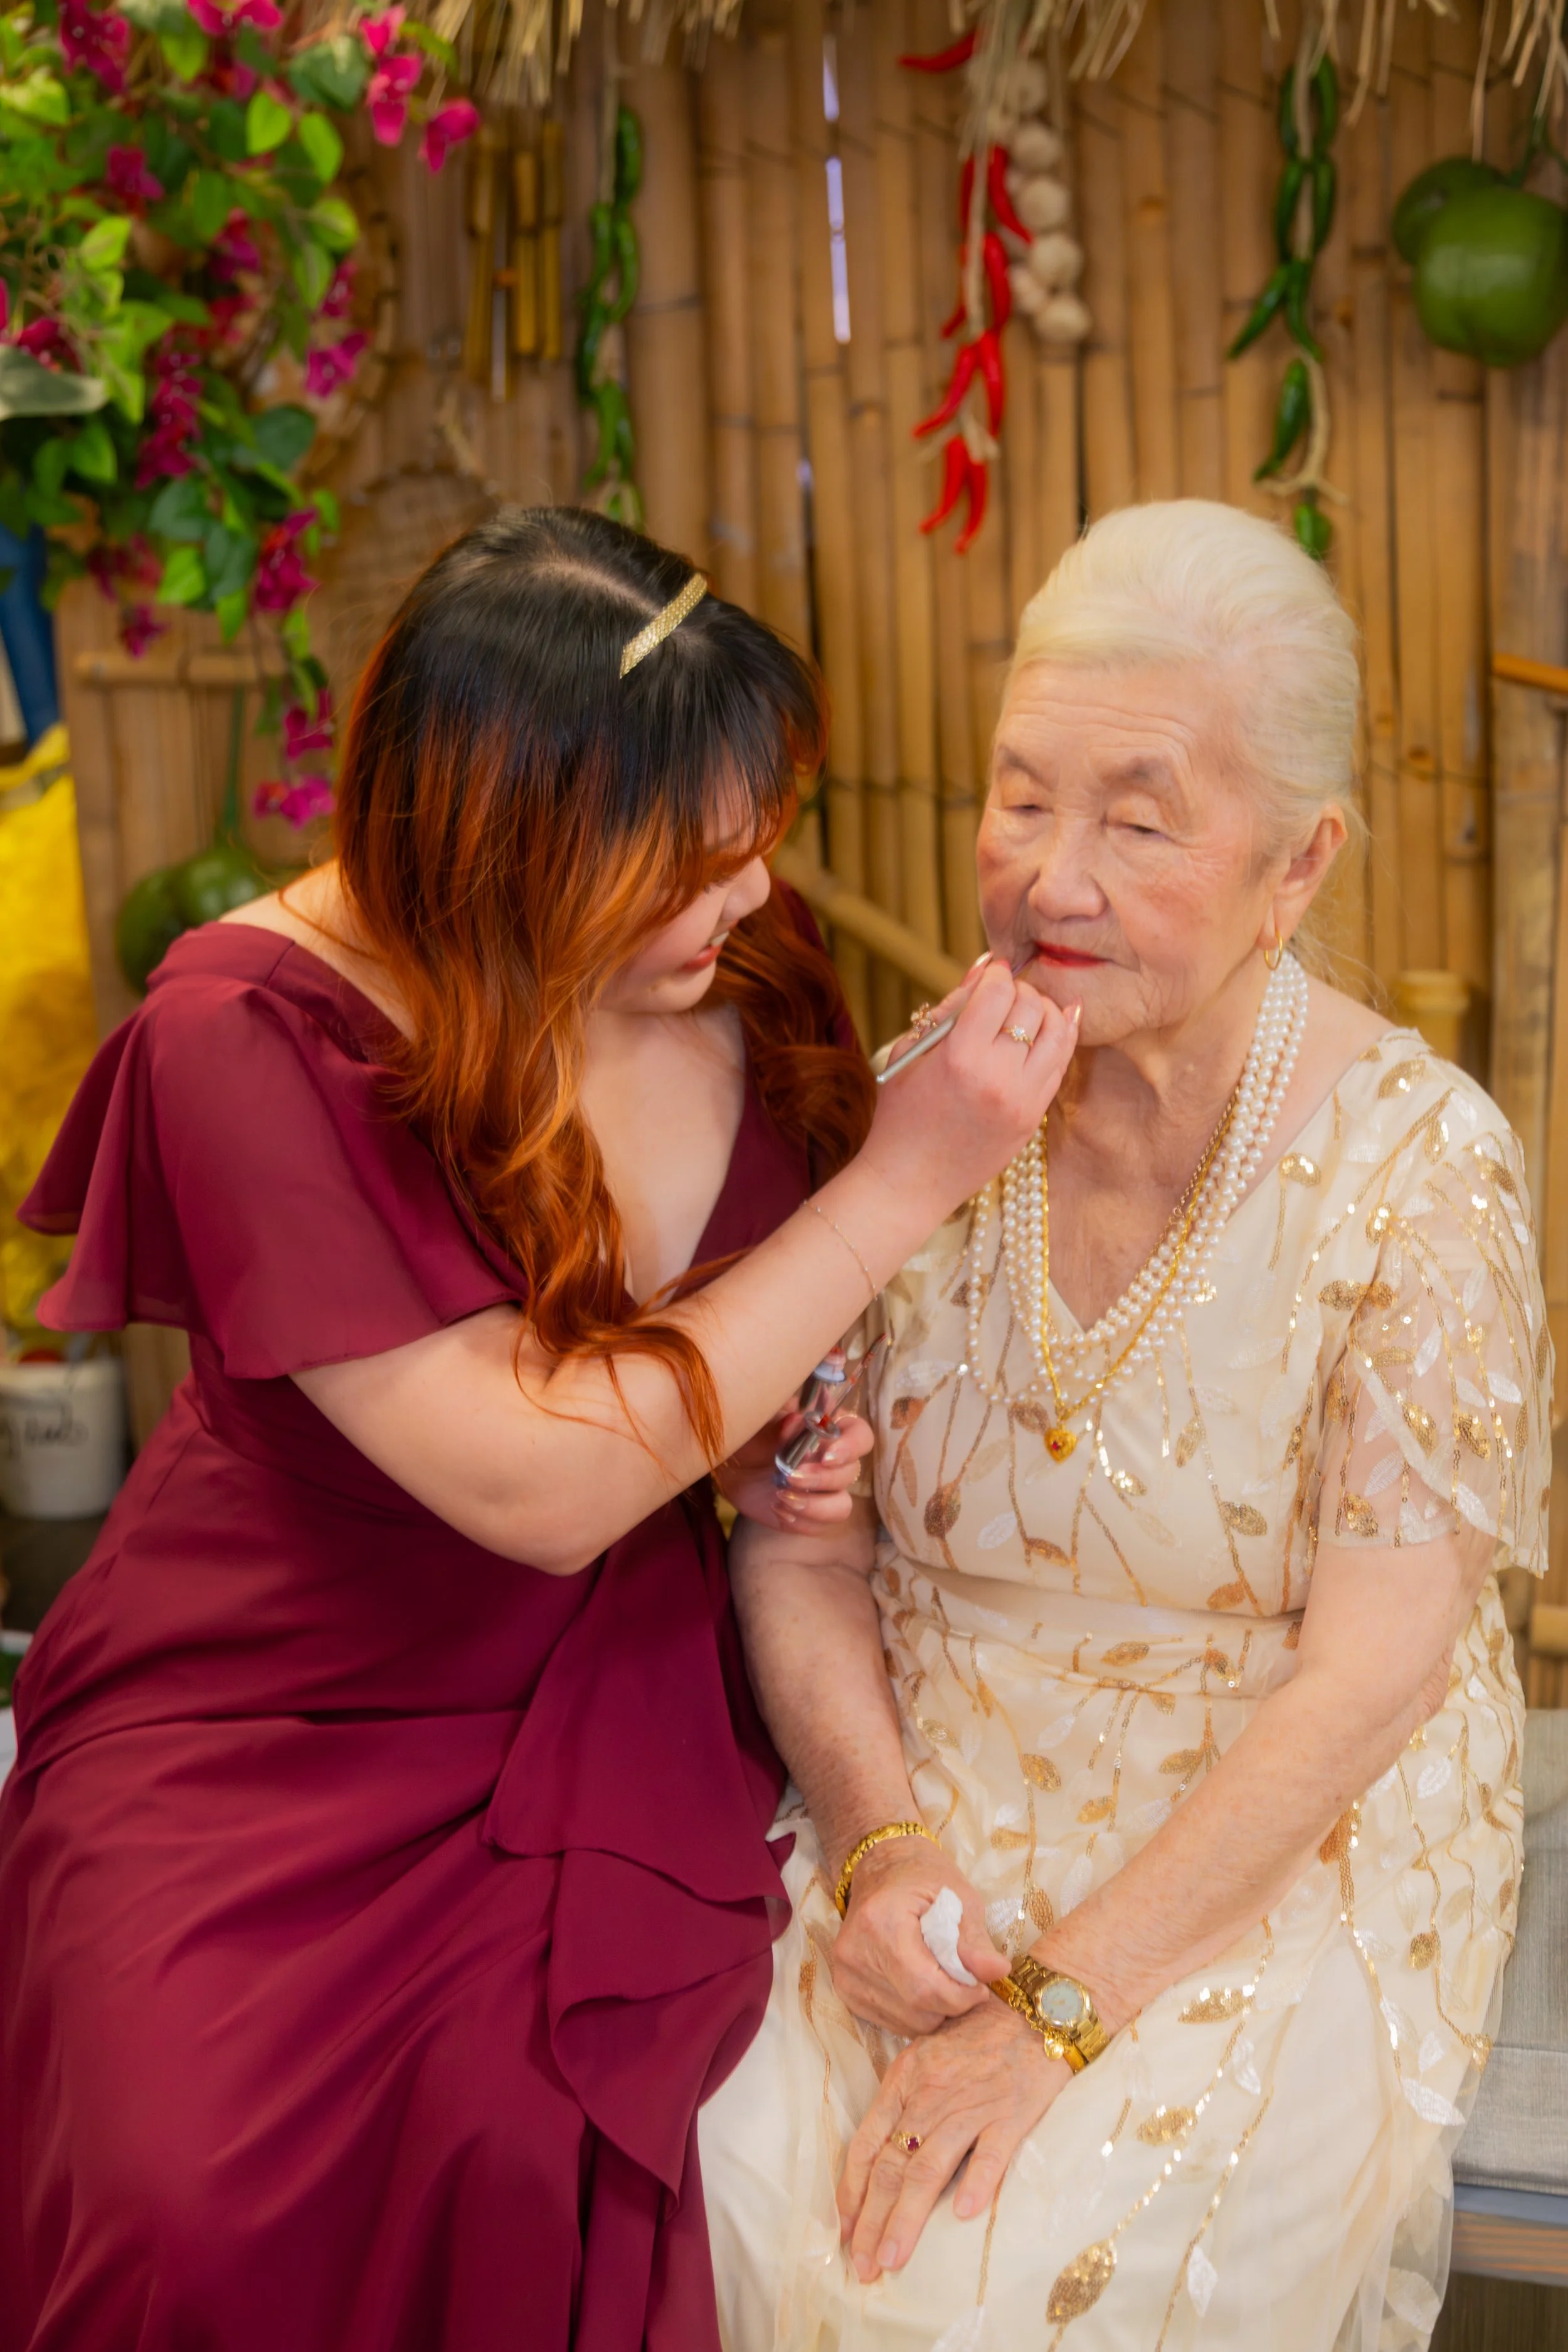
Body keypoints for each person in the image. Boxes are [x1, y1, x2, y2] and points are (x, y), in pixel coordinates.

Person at [0, 509, 1078, 2352]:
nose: (744, 899)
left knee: (526, 2143)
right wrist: (907, 1180)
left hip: (613, 1685)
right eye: (684, 864)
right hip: (271, 1694)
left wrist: (770, 1450)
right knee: (188, 2202)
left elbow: (729, 1359)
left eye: (753, 843)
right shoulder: (246, 1033)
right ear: (498, 845)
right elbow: (539, 1477)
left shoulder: (740, 960)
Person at [701, 501, 1549, 2352]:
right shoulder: (917, 1110)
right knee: (721, 2177)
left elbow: (1372, 1674)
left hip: (1283, 1811)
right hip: (929, 1772)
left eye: (1138, 820)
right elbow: (802, 1539)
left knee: (1013, 2296)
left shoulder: (1417, 1175)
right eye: (1019, 798)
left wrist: (1049, 2015)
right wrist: (873, 1847)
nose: (1046, 880)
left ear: (1296, 863)